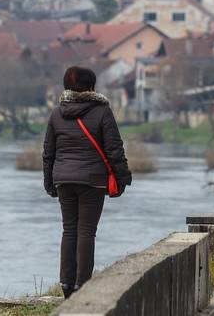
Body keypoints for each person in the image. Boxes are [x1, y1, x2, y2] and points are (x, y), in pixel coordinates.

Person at [42, 66, 131, 299]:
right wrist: (123, 178)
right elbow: (114, 149)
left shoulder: (57, 113)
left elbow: (48, 152)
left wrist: (49, 181)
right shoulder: (102, 112)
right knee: (86, 231)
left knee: (69, 229)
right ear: (91, 86)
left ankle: (66, 284)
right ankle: (82, 285)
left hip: (63, 179)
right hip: (92, 181)